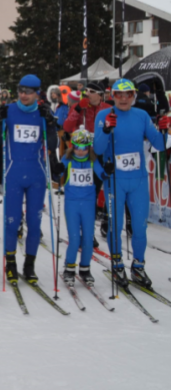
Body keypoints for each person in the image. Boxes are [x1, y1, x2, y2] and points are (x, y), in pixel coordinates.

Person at [94, 79, 170, 288]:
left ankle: (138, 266)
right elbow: (98, 149)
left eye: (128, 94)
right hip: (115, 181)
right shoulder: (104, 115)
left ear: (134, 95)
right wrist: (107, 130)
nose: (124, 98)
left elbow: (159, 144)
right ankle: (117, 264)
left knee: (139, 227)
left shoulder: (141, 115)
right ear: (113, 96)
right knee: (116, 226)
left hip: (138, 179)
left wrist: (165, 130)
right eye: (119, 94)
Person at [0, 75, 62, 285]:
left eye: (28, 92)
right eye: (20, 90)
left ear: (37, 93)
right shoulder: (9, 110)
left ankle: (29, 266)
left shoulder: (42, 112)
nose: (23, 95)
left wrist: (49, 123)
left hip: (36, 177)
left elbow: (52, 144)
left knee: (33, 223)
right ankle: (10, 263)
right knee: (12, 222)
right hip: (13, 175)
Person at [61, 129, 97, 286]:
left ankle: (85, 268)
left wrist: (108, 170)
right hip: (72, 204)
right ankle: (69, 268)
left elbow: (103, 174)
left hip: (88, 204)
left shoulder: (92, 161)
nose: (80, 151)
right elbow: (58, 172)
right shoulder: (67, 160)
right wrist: (57, 170)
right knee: (75, 239)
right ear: (72, 147)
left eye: (84, 148)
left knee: (88, 239)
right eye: (77, 147)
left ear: (89, 147)